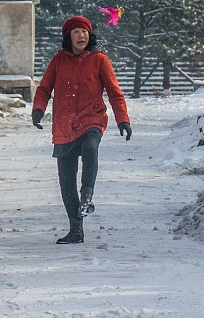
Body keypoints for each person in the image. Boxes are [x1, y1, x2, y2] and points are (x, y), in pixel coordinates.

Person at [32, 15, 132, 245]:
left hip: (91, 120)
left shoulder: (99, 60)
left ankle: (87, 195)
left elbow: (115, 92)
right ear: (68, 36)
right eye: (76, 32)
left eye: (85, 31)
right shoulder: (58, 60)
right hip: (64, 126)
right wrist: (38, 109)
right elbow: (44, 88)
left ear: (90, 35)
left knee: (90, 147)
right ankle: (76, 229)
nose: (81, 35)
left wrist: (123, 120)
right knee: (66, 181)